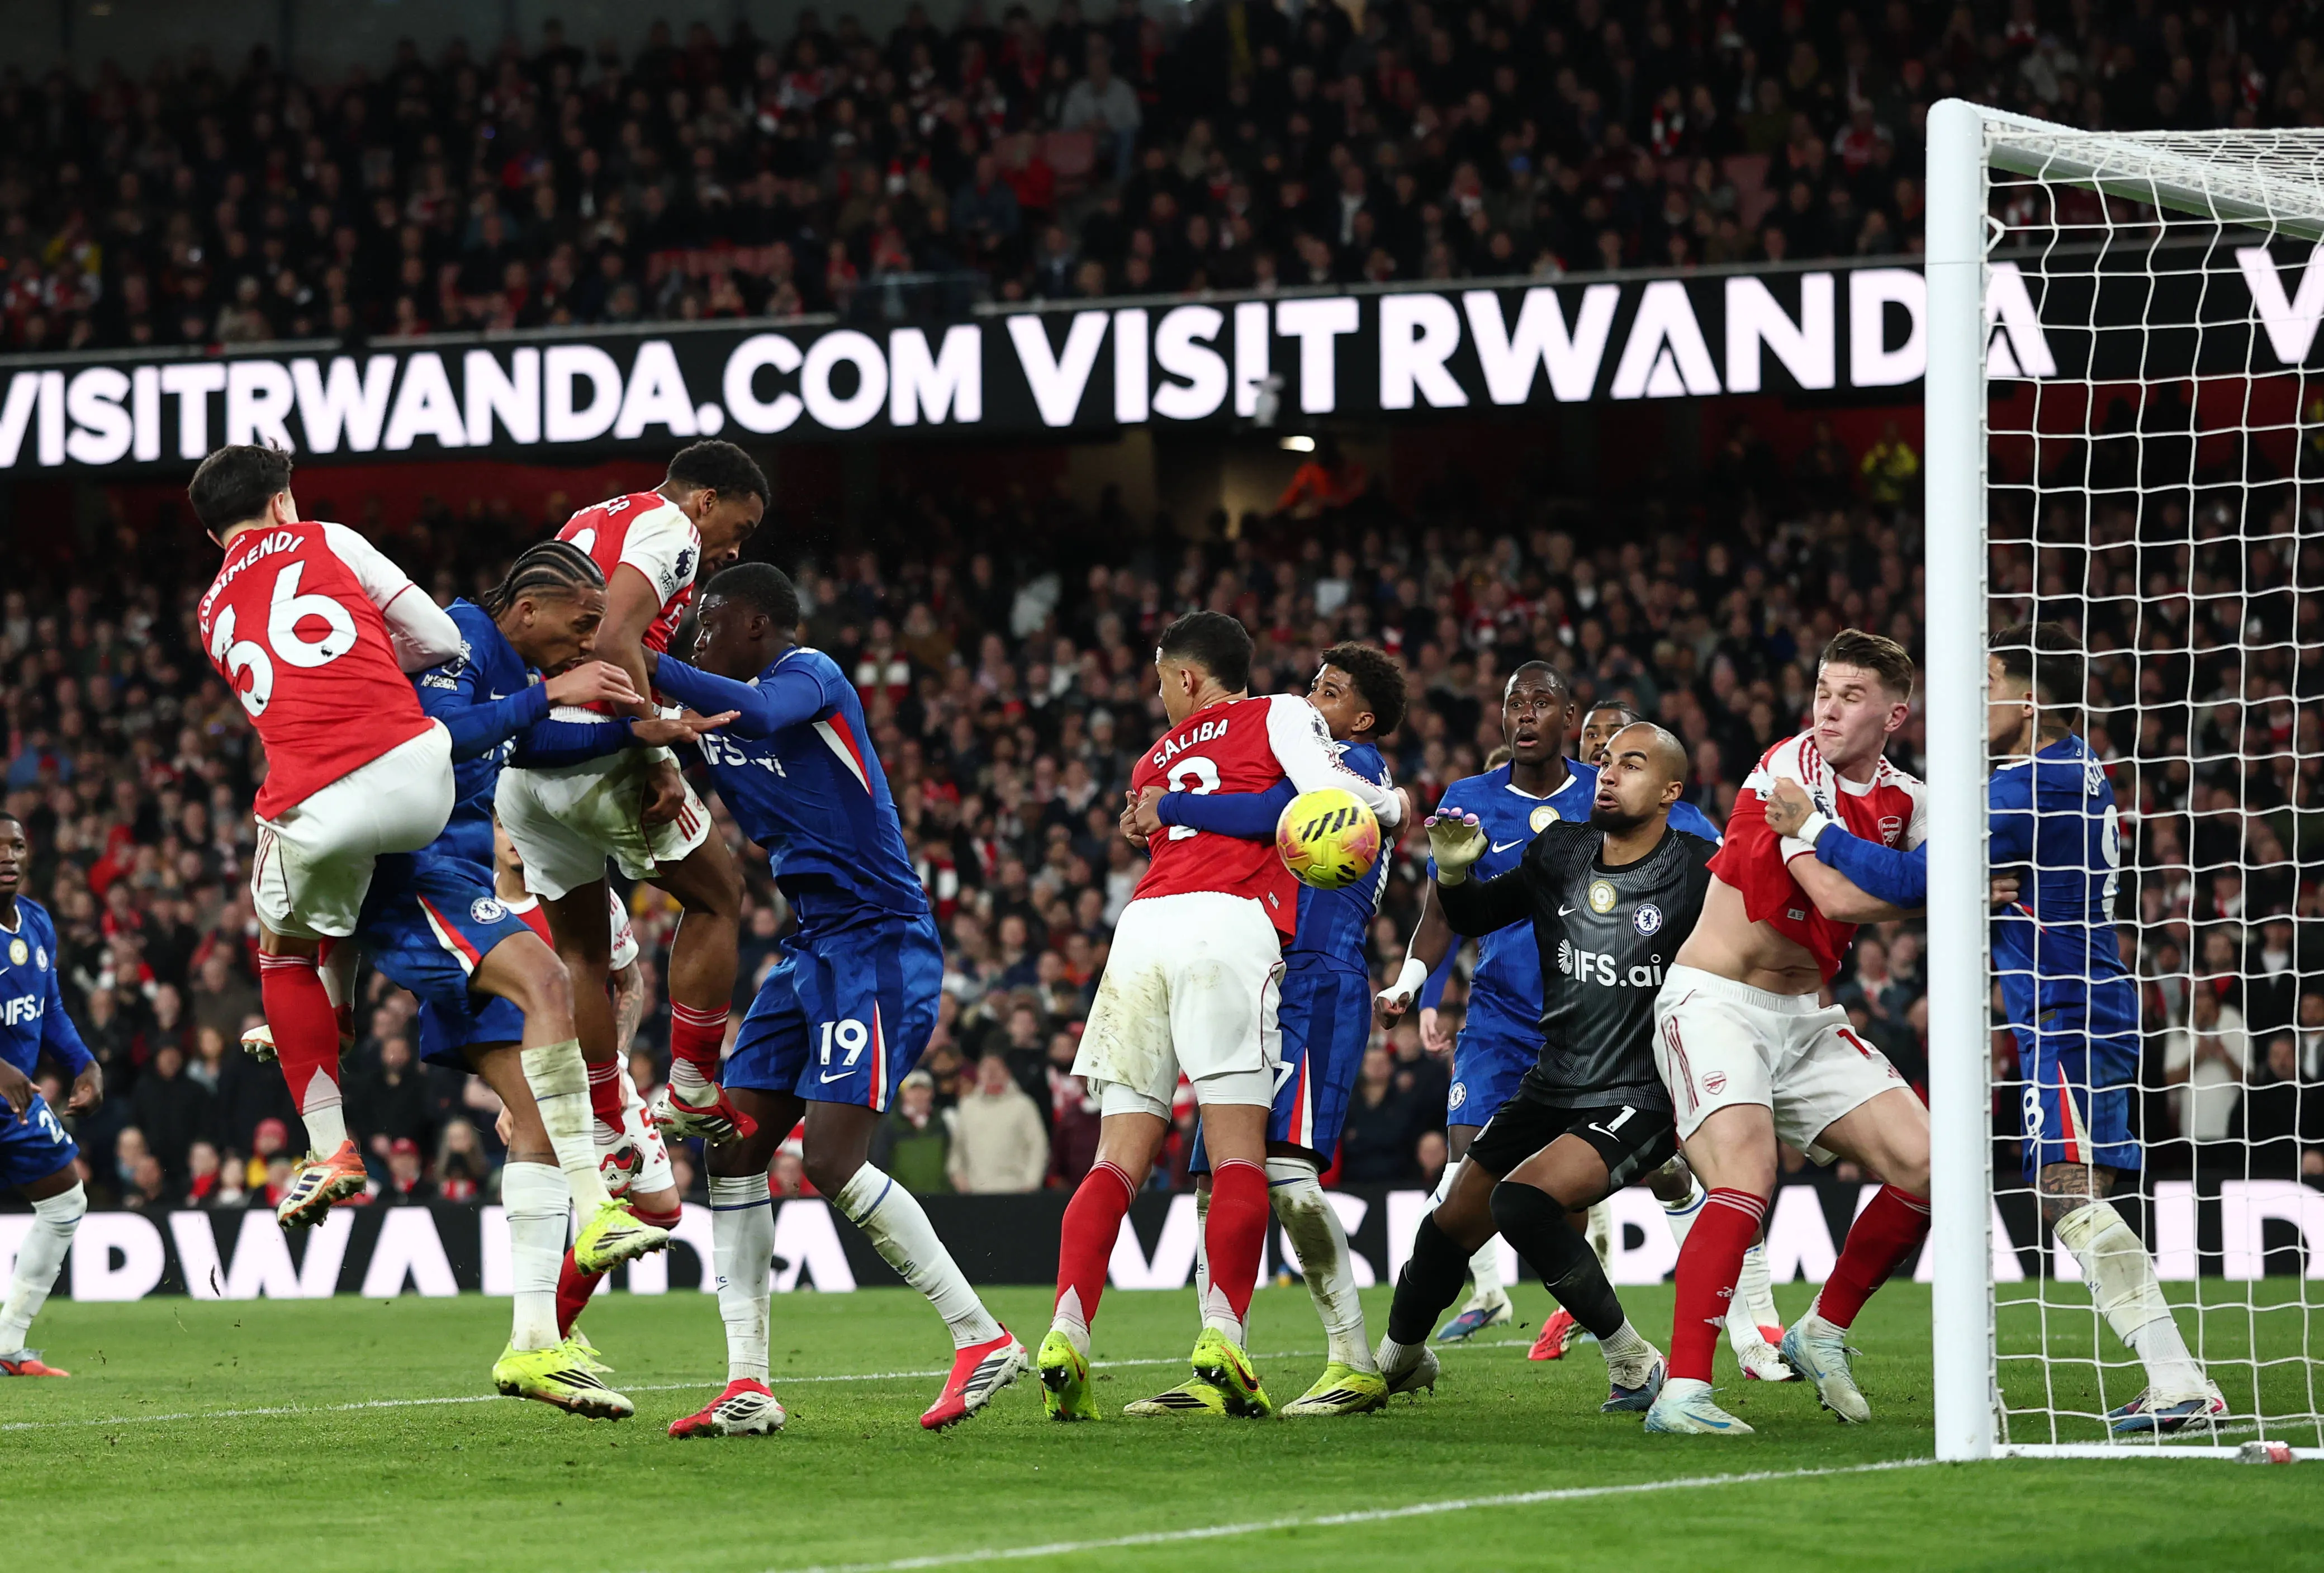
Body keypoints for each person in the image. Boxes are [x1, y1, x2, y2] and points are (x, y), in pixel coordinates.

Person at [1767, 622, 2222, 1435]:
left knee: (2067, 1194)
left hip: (2066, 1009)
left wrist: (1809, 827)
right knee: (2071, 1195)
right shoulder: (2075, 765)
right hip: (2087, 998)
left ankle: (2178, 1380)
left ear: (2029, 695)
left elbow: (1910, 875)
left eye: (1985, 684)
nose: (1971, 701)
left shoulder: (2016, 789)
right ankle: (2174, 1376)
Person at [641, 562, 1027, 1437]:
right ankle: (748, 1384)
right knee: (734, 1150)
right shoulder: (716, 715)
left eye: (711, 618)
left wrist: (646, 654)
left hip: (879, 943)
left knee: (829, 1160)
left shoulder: (809, 675)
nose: (699, 634)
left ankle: (982, 1337)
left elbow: (765, 716)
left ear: (758, 622)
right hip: (809, 950)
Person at [359, 536, 725, 1414]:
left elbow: (532, 744)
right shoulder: (451, 642)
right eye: (583, 621)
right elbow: (432, 739)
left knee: (529, 1114)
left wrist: (638, 734)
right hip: (417, 885)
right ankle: (595, 1205)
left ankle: (532, 1344)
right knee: (557, 982)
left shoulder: (510, 671)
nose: (593, 639)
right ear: (526, 613)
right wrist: (546, 693)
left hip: (456, 890)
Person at [1036, 611, 1406, 1422]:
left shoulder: (1172, 757)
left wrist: (1158, 807)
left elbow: (1244, 811)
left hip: (1175, 940)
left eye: (1161, 673)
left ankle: (1069, 1329)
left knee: (1134, 1158)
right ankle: (1221, 1346)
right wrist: (1393, 804)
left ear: (1188, 677)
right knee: (1231, 1163)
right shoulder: (1276, 720)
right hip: (1236, 939)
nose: (1312, 697)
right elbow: (1302, 806)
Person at [1377, 667, 1731, 1352]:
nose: (1607, 770)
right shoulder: (1554, 844)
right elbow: (1465, 912)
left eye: (1627, 762)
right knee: (1464, 1201)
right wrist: (1445, 892)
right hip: (1528, 1044)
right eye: (1605, 761)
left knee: (1629, 1186)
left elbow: (1749, 920)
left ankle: (1732, 1331)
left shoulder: (1691, 859)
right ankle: (1396, 1357)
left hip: (1630, 1063)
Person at [1643, 630, 1930, 1436]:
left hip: (1806, 1019)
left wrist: (1939, 882)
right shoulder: (1784, 770)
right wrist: (1933, 890)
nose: (1828, 709)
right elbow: (1836, 898)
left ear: (1892, 712)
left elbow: (1943, 872)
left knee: (1930, 1165)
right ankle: (1683, 1393)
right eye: (1822, 691)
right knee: (1747, 1172)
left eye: (1849, 696)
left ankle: (1821, 1329)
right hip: (1716, 1002)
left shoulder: (1911, 798)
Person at [190, 443, 465, 1225]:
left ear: (216, 537)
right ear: (284, 501)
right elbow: (442, 640)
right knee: (343, 878)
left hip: (318, 800)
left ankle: (330, 1148)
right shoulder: (330, 539)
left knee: (281, 951)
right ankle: (336, 1014)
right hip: (421, 775)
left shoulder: (210, 610)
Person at [495, 441, 768, 1148]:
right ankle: (693, 1086)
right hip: (600, 743)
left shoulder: (594, 516)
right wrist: (654, 752)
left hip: (528, 761)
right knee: (719, 893)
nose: (734, 551)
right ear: (705, 502)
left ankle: (612, 1133)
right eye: (737, 530)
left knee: (585, 954)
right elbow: (614, 634)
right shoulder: (672, 527)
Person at [1545, 702, 1790, 1379]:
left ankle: (1754, 1323)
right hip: (1582, 1028)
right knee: (1648, 1174)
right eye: (1594, 746)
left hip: (1677, 1022)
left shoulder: (1688, 837)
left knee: (1710, 1171)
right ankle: (1641, 1341)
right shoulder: (1575, 833)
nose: (1601, 754)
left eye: (1619, 746)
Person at [0, 811, 100, 1376]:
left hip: (13, 1105)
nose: (6, 856)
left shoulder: (36, 922)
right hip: (7, 1087)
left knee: (65, 1202)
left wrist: (85, 1064)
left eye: (14, 846)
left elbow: (50, 1008)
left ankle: (8, 1344)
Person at [947, 1050, 1050, 1193]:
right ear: (978, 1074)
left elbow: (1038, 1146)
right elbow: (957, 1148)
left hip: (1016, 1190)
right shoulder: (967, 1106)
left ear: (1007, 1072)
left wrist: (1032, 1183)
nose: (991, 1073)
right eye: (986, 1069)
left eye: (996, 1068)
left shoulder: (1023, 1105)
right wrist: (958, 1177)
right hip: (976, 1193)